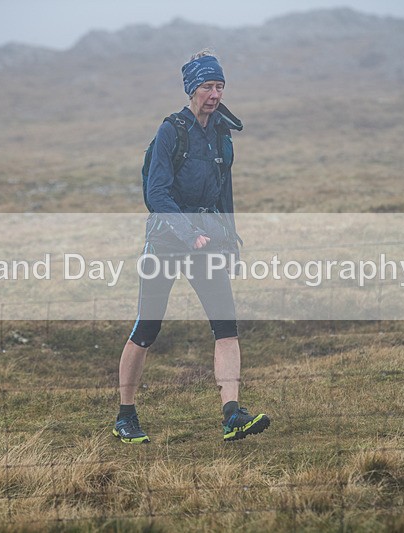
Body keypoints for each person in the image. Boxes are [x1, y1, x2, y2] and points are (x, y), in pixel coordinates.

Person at [112, 49, 270, 444]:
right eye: (206, 86)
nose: (214, 94)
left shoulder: (221, 134)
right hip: (166, 239)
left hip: (208, 241)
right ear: (191, 89)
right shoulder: (171, 131)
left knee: (226, 327)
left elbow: (223, 193)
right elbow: (156, 193)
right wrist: (187, 233)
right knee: (147, 328)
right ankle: (125, 417)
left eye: (219, 86)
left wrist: (229, 238)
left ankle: (232, 414)